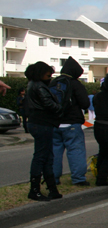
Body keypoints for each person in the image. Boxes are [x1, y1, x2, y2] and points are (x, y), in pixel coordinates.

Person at [24, 62, 64, 201]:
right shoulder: (39, 86)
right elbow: (49, 104)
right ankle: (36, 190)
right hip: (43, 123)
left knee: (46, 156)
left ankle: (51, 188)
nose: (50, 78)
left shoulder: (32, 85)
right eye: (48, 75)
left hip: (39, 122)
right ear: (41, 74)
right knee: (42, 156)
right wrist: (60, 107)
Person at [52, 57, 91, 186]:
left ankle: (53, 178)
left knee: (54, 151)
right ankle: (78, 178)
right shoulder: (75, 84)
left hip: (54, 122)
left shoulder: (53, 82)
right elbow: (85, 103)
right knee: (75, 150)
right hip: (72, 123)